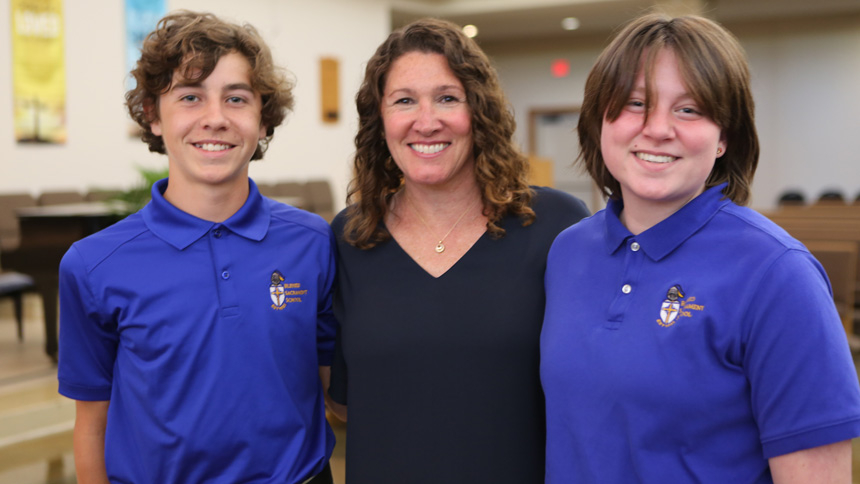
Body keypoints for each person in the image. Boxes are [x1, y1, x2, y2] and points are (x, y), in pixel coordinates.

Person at [540, 12, 860, 483]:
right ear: (598, 120)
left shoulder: (777, 272)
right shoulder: (567, 252)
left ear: (724, 137)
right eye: (634, 103)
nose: (657, 128)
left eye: (688, 109)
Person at [57, 11, 336, 483]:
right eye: (190, 96)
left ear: (263, 120)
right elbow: (91, 426)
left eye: (236, 98)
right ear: (153, 115)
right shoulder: (92, 265)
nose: (215, 118)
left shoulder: (313, 243)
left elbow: (340, 394)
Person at [327, 18, 589, 483]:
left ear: (480, 112)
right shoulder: (351, 237)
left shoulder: (557, 225)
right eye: (404, 101)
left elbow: (597, 387)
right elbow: (343, 402)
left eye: (448, 98)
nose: (427, 122)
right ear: (380, 119)